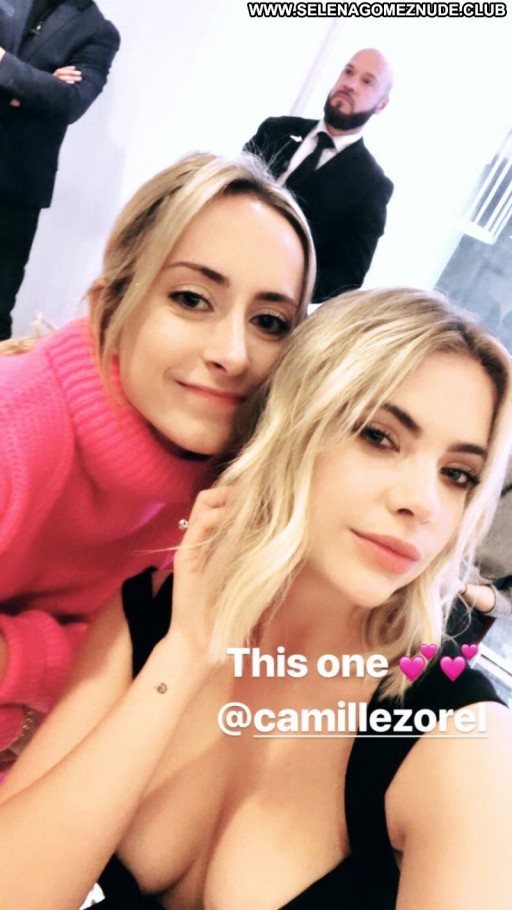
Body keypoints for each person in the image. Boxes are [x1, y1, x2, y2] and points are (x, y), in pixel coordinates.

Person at [1, 288, 511, 910]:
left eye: (457, 475)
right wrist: (185, 655)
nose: (423, 503)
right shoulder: (154, 619)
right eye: (379, 436)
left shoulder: (465, 744)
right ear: (288, 424)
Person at [0, 151, 315, 760]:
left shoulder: (234, 477)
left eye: (271, 322)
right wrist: (64, 668)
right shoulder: (14, 428)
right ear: (111, 304)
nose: (233, 354)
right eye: (192, 299)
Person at [0, 0, 120, 340]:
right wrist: (38, 87)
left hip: (16, 184)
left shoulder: (98, 32)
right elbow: (50, 95)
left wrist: (4, 62)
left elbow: (69, 101)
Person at [244, 48, 394, 302]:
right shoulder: (275, 130)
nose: (350, 84)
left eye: (367, 81)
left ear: (381, 104)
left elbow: (347, 276)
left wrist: (282, 286)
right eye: (348, 72)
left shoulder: (372, 185)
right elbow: (228, 191)